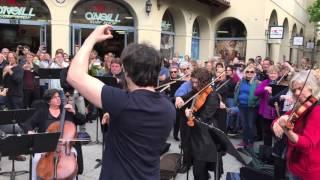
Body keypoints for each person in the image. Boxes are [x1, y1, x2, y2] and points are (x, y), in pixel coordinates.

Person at [67, 24, 175, 180]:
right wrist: (117, 119)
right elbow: (139, 128)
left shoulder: (121, 102)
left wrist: (91, 38)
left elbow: (74, 75)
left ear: (127, 71)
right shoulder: (167, 107)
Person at [20, 89, 87, 180]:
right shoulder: (42, 112)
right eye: (55, 97)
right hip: (46, 146)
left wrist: (74, 112)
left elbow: (82, 120)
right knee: (36, 159)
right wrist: (29, 131)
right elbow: (27, 124)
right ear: (48, 101)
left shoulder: (67, 111)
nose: (58, 99)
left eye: (58, 96)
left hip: (65, 147)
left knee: (73, 158)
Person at [272, 71, 320, 180]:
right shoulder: (304, 105)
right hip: (296, 166)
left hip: (310, 171)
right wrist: (277, 123)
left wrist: (287, 131)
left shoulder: (317, 110)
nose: (297, 93)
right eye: (294, 90)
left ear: (311, 88)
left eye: (301, 88)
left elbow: (307, 145)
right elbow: (285, 118)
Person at [184, 68, 223, 179]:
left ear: (204, 82)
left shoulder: (212, 95)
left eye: (197, 82)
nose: (195, 85)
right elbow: (186, 97)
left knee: (199, 169)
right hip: (197, 135)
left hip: (207, 137)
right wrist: (179, 98)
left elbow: (204, 118)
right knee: (198, 168)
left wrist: (190, 116)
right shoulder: (197, 91)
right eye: (193, 82)